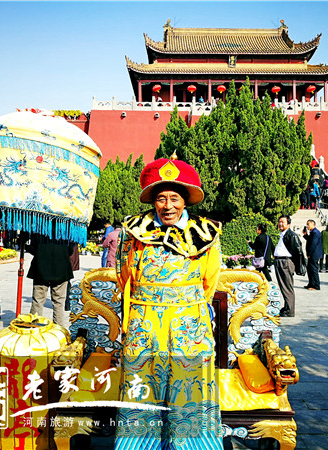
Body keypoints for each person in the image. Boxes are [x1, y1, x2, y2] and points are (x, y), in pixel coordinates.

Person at [115, 156, 223, 448]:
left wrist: (187, 307)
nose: (168, 206)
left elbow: (210, 282)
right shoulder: (134, 232)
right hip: (144, 327)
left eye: (174, 198)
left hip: (189, 326)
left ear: (185, 201)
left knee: (191, 391)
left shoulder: (206, 234)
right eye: (161, 198)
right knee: (140, 393)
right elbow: (124, 276)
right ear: (153, 201)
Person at [27, 238, 74, 328]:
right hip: (61, 268)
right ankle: (59, 329)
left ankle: (34, 328)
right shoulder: (65, 232)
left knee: (38, 301)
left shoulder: (40, 231)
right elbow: (70, 250)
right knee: (59, 303)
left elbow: (33, 248)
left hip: (41, 268)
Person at [274, 215, 305, 317]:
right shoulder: (283, 235)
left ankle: (290, 310)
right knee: (283, 286)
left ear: (288, 224)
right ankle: (287, 307)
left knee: (287, 286)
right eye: (279, 222)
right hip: (280, 261)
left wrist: (299, 266)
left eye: (283, 222)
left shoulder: (291, 235)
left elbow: (298, 252)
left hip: (285, 262)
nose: (280, 224)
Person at [303, 220, 323, 290]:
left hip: (314, 254)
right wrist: (305, 235)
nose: (307, 226)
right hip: (313, 254)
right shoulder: (313, 232)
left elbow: (313, 244)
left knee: (314, 270)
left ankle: (316, 285)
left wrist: (309, 253)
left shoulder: (315, 233)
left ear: (313, 224)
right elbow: (310, 240)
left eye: (308, 224)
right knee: (309, 269)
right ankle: (311, 284)